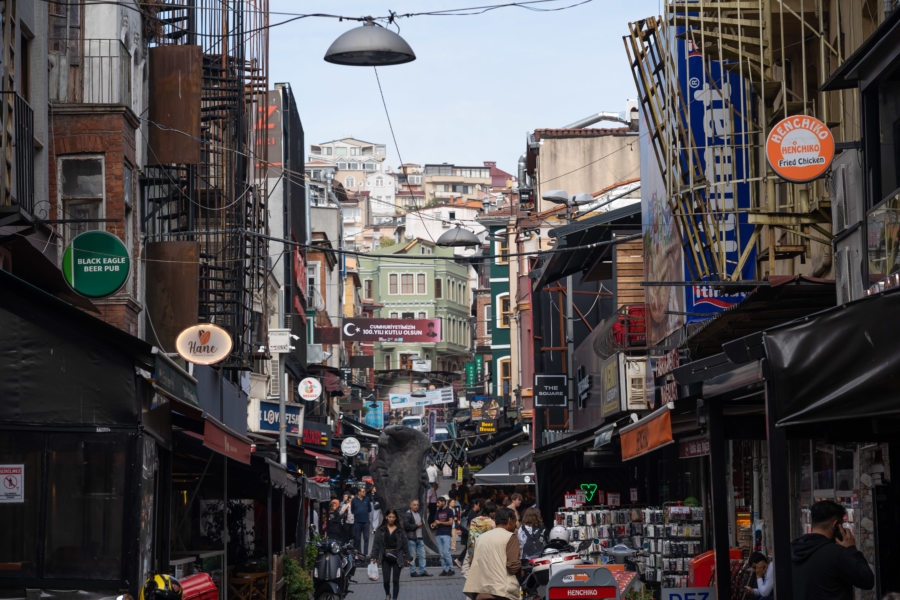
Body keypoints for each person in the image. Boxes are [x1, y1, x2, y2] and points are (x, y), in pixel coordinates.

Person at [791, 500, 874, 600]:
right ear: (835, 525)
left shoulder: (793, 550)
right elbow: (867, 580)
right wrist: (851, 549)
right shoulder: (837, 554)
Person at [463, 507, 523, 600]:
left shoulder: (480, 538)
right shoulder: (510, 537)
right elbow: (513, 567)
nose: (516, 525)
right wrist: (521, 572)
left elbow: (473, 560)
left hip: (480, 593)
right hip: (501, 593)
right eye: (515, 521)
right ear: (509, 520)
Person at [371, 510, 410, 600]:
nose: (391, 519)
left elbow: (405, 545)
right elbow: (376, 544)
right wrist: (374, 556)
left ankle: (395, 598)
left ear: (396, 518)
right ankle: (388, 594)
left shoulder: (400, 530)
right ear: (386, 517)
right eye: (390, 517)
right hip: (385, 557)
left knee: (395, 580)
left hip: (398, 557)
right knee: (386, 581)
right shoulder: (381, 530)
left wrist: (408, 557)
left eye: (393, 517)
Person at [462, 500, 498, 575]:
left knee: (469, 571)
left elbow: (471, 537)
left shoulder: (474, 520)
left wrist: (471, 552)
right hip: (486, 550)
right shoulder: (492, 523)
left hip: (473, 547)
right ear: (491, 512)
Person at [401, 499, 431, 577]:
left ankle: (423, 571)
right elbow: (406, 526)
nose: (416, 506)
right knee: (412, 556)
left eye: (417, 505)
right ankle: (413, 571)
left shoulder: (418, 514)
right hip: (412, 539)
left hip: (420, 538)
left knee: (422, 556)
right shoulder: (408, 514)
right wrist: (417, 525)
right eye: (414, 505)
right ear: (410, 505)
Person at [432, 495, 455, 575]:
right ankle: (444, 570)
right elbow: (435, 522)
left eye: (438, 502)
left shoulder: (449, 511)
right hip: (438, 534)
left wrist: (440, 522)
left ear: (443, 502)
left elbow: (450, 522)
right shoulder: (438, 511)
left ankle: (452, 569)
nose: (437, 504)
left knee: (446, 553)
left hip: (446, 534)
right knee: (441, 554)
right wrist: (433, 524)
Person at [455, 497, 480, 568]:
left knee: (468, 548)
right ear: (475, 505)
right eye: (478, 505)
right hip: (470, 533)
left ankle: (460, 560)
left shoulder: (469, 512)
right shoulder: (473, 513)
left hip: (466, 533)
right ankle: (460, 560)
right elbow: (473, 525)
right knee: (470, 548)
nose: (479, 506)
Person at [351, 487, 373, 555]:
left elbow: (369, 509)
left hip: (366, 521)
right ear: (359, 492)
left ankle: (365, 554)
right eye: (363, 491)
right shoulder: (354, 500)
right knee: (358, 538)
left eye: (364, 491)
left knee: (366, 538)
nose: (364, 493)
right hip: (357, 521)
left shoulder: (367, 499)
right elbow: (352, 510)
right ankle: (359, 553)